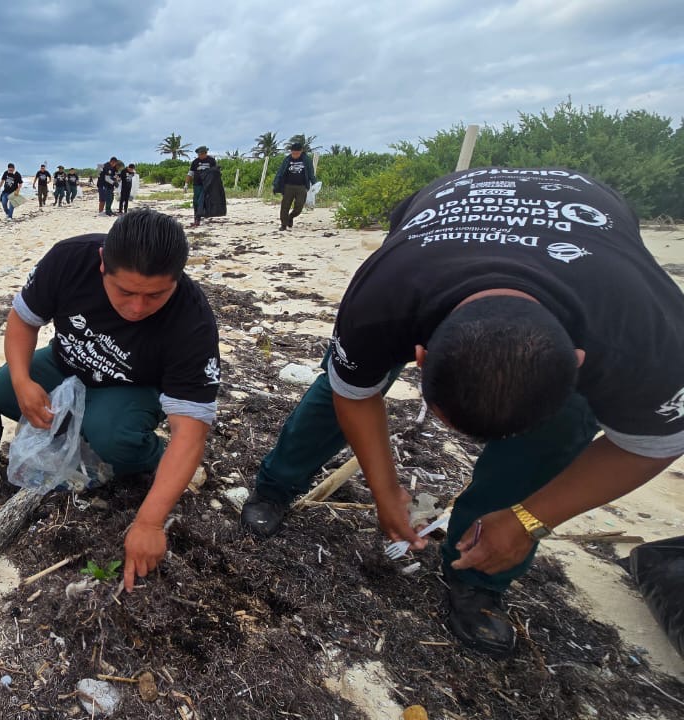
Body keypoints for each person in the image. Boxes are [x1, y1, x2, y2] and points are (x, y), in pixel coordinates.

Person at [238, 167, 684, 657]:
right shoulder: (383, 298)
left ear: (579, 363)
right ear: (420, 355)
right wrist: (384, 491)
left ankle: (479, 575)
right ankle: (276, 485)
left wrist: (529, 519)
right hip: (435, 229)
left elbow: (652, 445)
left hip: (593, 236)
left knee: (556, 434)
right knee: (345, 379)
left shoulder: (648, 338)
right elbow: (355, 393)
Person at [0, 208, 221, 591]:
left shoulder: (192, 322)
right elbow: (23, 319)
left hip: (132, 387)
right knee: (0, 390)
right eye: (125, 291)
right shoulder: (69, 259)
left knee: (113, 439)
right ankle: (82, 429)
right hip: (66, 362)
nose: (136, 308)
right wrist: (21, 379)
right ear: (102, 265)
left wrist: (149, 522)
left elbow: (191, 431)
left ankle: (152, 454)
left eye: (155, 295)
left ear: (177, 279)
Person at [273, 142, 317, 230]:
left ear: (301, 151)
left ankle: (291, 217)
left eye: (297, 153)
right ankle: (283, 224)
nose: (295, 155)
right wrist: (276, 184)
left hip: (301, 187)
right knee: (285, 206)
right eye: (293, 153)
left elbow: (311, 173)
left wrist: (314, 184)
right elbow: (280, 172)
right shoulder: (287, 159)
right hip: (288, 186)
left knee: (299, 206)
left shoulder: (306, 160)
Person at [185, 146, 217, 227]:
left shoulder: (211, 161)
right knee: (196, 202)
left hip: (207, 185)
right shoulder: (195, 162)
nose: (200, 155)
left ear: (205, 153)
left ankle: (200, 218)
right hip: (197, 185)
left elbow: (215, 173)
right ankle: (196, 218)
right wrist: (186, 184)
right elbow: (190, 173)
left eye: (201, 154)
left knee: (202, 201)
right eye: (198, 154)